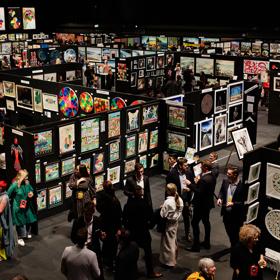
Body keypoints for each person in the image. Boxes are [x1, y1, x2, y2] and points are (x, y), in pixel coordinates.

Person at [122, 185, 163, 278]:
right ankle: (150, 272)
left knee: (132, 252)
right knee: (148, 253)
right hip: (143, 232)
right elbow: (151, 218)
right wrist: (150, 225)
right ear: (141, 194)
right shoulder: (145, 204)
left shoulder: (128, 205)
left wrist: (128, 228)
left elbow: (124, 219)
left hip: (132, 232)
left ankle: (133, 271)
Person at [188, 160, 216, 252]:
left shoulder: (204, 179)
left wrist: (190, 185)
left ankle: (196, 246)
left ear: (206, 168)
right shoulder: (212, 176)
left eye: (202, 166)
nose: (200, 167)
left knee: (194, 223)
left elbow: (199, 191)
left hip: (200, 205)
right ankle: (207, 243)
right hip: (207, 204)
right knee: (206, 222)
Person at [166, 157, 194, 242]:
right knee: (174, 218)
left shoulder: (189, 172)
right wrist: (166, 201)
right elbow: (167, 188)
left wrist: (190, 189)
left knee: (186, 217)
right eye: (185, 165)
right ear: (180, 166)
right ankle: (172, 236)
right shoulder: (172, 174)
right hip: (176, 200)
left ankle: (187, 234)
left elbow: (192, 184)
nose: (187, 166)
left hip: (186, 199)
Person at [96, 180, 122, 270]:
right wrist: (119, 228)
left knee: (106, 242)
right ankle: (111, 262)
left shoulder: (101, 197)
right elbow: (119, 215)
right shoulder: (115, 200)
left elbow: (99, 208)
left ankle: (105, 260)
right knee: (113, 244)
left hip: (104, 223)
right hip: (113, 225)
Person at [217, 165, 245, 248]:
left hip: (236, 216)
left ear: (235, 175)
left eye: (229, 174)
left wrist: (234, 204)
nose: (227, 175)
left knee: (236, 235)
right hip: (226, 214)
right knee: (229, 232)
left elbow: (244, 203)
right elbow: (221, 191)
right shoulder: (225, 181)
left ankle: (235, 249)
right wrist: (219, 198)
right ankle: (233, 245)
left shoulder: (242, 186)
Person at [7, 169, 37, 247]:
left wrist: (31, 193)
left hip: (26, 205)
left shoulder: (27, 183)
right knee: (20, 223)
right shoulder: (15, 185)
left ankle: (25, 233)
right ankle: (20, 238)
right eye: (25, 176)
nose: (27, 178)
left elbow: (30, 189)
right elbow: (7, 194)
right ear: (21, 177)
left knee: (28, 220)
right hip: (18, 207)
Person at [159, 183, 183, 268]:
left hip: (168, 225)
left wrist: (161, 208)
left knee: (168, 244)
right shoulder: (179, 200)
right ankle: (174, 258)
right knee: (173, 241)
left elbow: (162, 215)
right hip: (175, 224)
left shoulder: (168, 202)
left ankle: (169, 261)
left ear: (169, 191)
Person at [0, 180, 15, 261]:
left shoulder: (4, 197)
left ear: (1, 188)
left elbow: (0, 210)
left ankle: (3, 255)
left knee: (2, 239)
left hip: (2, 222)